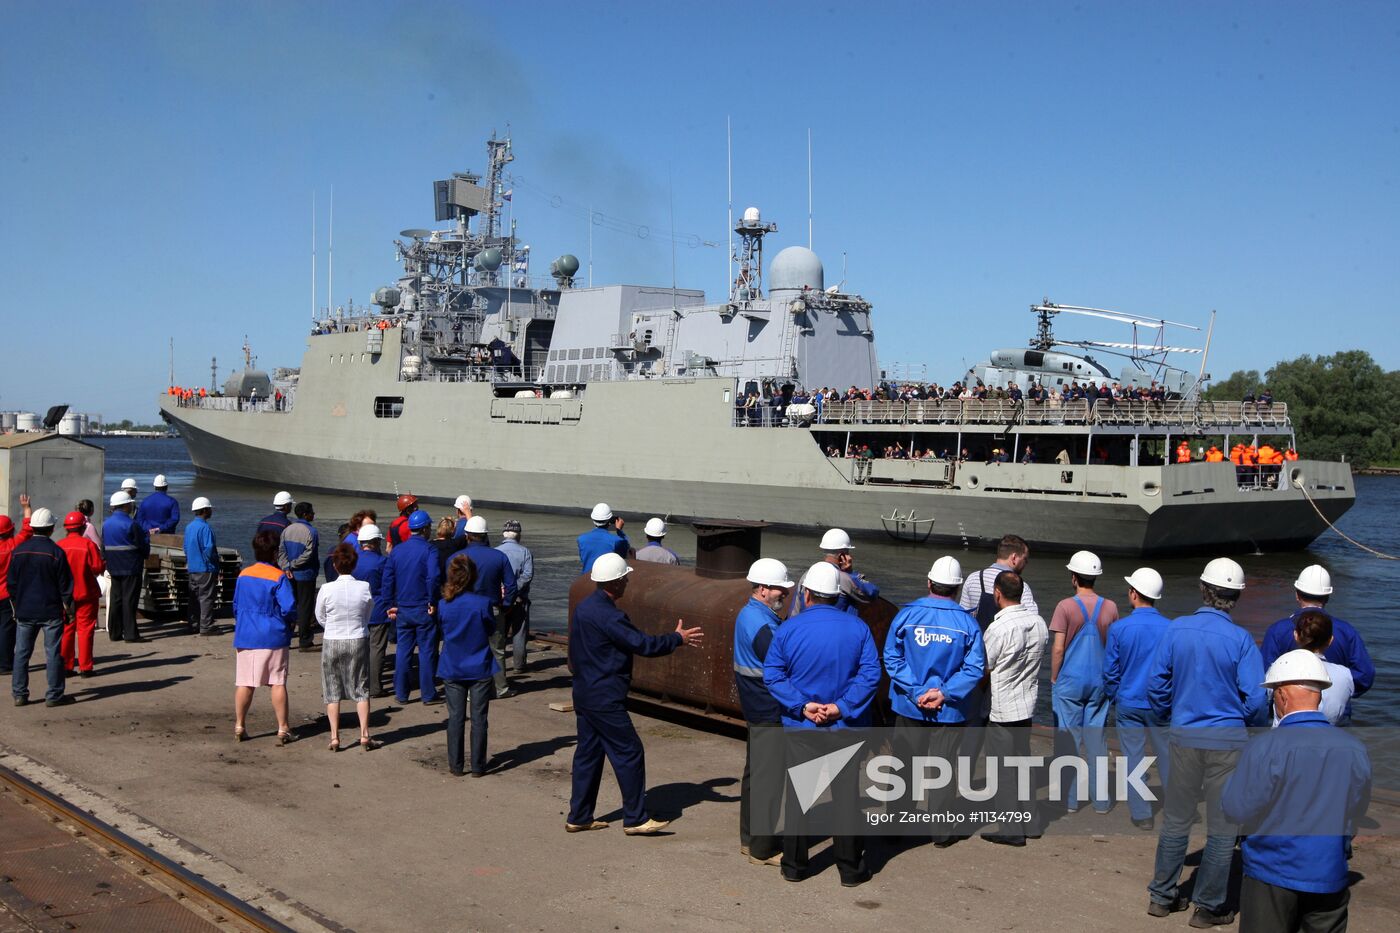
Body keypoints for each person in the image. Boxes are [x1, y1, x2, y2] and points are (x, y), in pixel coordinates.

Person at [1146, 558, 1268, 927]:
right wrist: (1246, 723)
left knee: (1177, 818)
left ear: (1203, 589)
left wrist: (1168, 714)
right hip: (1227, 741)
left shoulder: (1177, 629)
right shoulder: (1241, 640)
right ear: (1236, 597)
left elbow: (1156, 684)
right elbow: (1256, 700)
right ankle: (1208, 907)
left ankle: (1162, 896)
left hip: (1184, 736)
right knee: (1222, 826)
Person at [1222, 650, 1371, 933]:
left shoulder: (1264, 747)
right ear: (1319, 695)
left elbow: (1236, 808)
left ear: (1282, 695)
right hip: (1329, 872)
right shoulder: (1353, 748)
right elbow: (1356, 808)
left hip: (1271, 870)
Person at [565, 553, 702, 836]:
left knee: (588, 754)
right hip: (605, 696)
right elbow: (642, 644)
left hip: (585, 692)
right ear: (615, 583)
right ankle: (636, 819)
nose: (627, 582)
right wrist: (677, 638)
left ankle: (579, 816)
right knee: (629, 751)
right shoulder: (611, 616)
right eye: (624, 578)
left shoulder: (585, 607)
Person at [765, 561, 880, 886]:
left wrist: (803, 706)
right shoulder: (858, 628)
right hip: (845, 726)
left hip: (803, 726)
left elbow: (773, 675)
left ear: (807, 594)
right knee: (847, 797)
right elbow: (870, 674)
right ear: (838, 595)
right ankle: (850, 869)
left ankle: (794, 866)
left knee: (800, 795)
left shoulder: (788, 629)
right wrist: (840, 707)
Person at [881, 555, 985, 843]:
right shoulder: (967, 623)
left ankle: (895, 827)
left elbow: (891, 657)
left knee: (904, 765)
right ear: (958, 588)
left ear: (929, 582)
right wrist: (944, 693)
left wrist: (916, 691)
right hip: (949, 710)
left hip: (909, 705)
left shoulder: (906, 615)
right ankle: (941, 832)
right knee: (943, 768)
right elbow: (974, 668)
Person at [733, 557, 794, 866]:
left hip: (756, 707)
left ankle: (750, 840)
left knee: (756, 775)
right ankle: (763, 849)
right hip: (768, 709)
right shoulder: (761, 624)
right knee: (769, 780)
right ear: (763, 589)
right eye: (780, 588)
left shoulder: (752, 615)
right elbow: (780, 664)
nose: (785, 593)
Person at [980, 569, 1048, 845]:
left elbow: (984, 667)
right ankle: (1031, 822)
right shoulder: (1039, 623)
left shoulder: (998, 628)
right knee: (1024, 764)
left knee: (1003, 770)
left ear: (997, 594)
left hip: (1002, 707)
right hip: (1026, 704)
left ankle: (1010, 829)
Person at [1049, 550, 1119, 813]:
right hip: (1099, 680)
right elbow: (1112, 648)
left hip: (1069, 679)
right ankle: (1100, 801)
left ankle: (1069, 800)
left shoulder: (1065, 606)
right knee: (1096, 740)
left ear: (1074, 577)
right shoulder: (1110, 607)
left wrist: (1054, 677)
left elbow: (1058, 649)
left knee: (1069, 740)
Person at [1102, 567, 1172, 830]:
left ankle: (1142, 814)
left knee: (1133, 757)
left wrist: (1115, 695)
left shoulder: (1119, 629)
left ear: (1134, 593)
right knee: (1168, 756)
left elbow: (1110, 671)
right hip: (1160, 703)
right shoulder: (1171, 628)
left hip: (1129, 701)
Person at [1259, 565, 1373, 723]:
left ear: (1297, 594)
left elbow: (1263, 675)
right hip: (1336, 718)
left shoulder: (1278, 630)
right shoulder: (1346, 631)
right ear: (1327, 597)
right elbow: (1365, 675)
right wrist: (1341, 689)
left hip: (1289, 713)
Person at [233, 530, 297, 744]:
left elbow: (236, 605)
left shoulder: (244, 574)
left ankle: (240, 725)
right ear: (275, 553)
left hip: (246, 635)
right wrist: (290, 623)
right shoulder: (278, 576)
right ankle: (283, 728)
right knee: (277, 682)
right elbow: (289, 607)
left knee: (245, 682)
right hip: (272, 635)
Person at [315, 544, 379, 751]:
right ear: (354, 564)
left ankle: (335, 737)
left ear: (335, 565)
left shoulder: (326, 588)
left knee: (332, 687)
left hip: (333, 638)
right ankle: (364, 734)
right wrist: (359, 626)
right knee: (361, 687)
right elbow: (368, 612)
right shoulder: (364, 587)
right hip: (357, 637)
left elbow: (320, 615)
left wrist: (332, 627)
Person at [437, 554, 497, 776]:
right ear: (473, 576)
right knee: (479, 718)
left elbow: (442, 629)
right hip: (478, 663)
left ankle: (456, 765)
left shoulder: (444, 604)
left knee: (455, 717)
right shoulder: (482, 603)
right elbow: (491, 628)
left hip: (453, 664)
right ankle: (478, 766)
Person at [8, 509, 75, 707]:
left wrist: (17, 603)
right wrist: (69, 610)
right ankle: (54, 695)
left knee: (21, 653)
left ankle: (20, 694)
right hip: (50, 610)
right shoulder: (56, 552)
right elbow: (65, 586)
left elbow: (11, 584)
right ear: (51, 528)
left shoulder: (19, 551)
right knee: (53, 653)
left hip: (25, 610)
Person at [450, 515, 518, 699]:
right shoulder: (499, 556)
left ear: (467, 535)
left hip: (465, 611)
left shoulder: (456, 558)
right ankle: (500, 688)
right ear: (485, 535)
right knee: (497, 650)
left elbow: (449, 585)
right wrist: (506, 605)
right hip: (493, 608)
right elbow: (511, 585)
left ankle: (471, 691)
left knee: (468, 649)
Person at [383, 509, 442, 705]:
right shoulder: (430, 550)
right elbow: (433, 577)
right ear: (425, 529)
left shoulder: (397, 551)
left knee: (403, 651)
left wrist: (390, 604)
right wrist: (432, 601)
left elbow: (388, 579)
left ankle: (401, 693)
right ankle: (428, 694)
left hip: (402, 608)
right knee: (426, 651)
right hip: (423, 606)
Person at [56, 511, 104, 678]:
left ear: (66, 528)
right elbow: (98, 568)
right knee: (85, 630)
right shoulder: (88, 545)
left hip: (66, 596)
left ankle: (66, 666)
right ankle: (86, 667)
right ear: (83, 527)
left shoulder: (60, 546)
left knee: (67, 629)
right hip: (87, 593)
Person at [789, 528, 878, 616]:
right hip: (840, 624)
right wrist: (850, 572)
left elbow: (794, 609)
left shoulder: (807, 574)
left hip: (807, 621)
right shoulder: (844, 578)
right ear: (842, 556)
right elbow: (872, 592)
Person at [1287, 610, 1353, 726]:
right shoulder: (1345, 674)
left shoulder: (1280, 668)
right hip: (1331, 734)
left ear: (1296, 635)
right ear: (1330, 640)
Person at [959, 534, 1037, 630]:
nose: (1026, 563)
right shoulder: (1021, 587)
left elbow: (963, 617)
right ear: (1014, 557)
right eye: (1025, 559)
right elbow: (1032, 623)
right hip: (1006, 638)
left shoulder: (973, 578)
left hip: (977, 638)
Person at [350, 523, 392, 697]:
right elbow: (388, 587)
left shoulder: (353, 561)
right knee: (377, 649)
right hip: (378, 609)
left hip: (357, 609)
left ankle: (356, 683)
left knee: (358, 648)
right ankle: (374, 687)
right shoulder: (382, 561)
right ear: (375, 542)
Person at [102, 490, 150, 643]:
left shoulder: (106, 524)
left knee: (116, 599)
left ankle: (114, 633)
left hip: (113, 566)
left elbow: (103, 547)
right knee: (129, 600)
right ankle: (130, 634)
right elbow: (142, 545)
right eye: (130, 504)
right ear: (125, 506)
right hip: (131, 567)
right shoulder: (131, 524)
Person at [0, 494, 34, 676]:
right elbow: (27, 530)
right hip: (7, 595)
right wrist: (26, 508)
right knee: (7, 629)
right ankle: (5, 663)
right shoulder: (13, 546)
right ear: (9, 531)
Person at [279, 502, 320, 652]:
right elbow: (309, 554)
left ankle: (286, 638)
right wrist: (294, 564)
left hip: (290, 574)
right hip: (306, 574)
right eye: (312, 512)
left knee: (290, 605)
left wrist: (286, 567)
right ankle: (304, 640)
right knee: (305, 607)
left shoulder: (287, 530)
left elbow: (281, 551)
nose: (313, 514)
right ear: (305, 515)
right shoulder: (312, 532)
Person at [496, 519, 534, 673]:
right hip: (520, 599)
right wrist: (514, 589)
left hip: (501, 599)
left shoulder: (496, 551)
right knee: (519, 633)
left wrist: (505, 590)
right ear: (518, 534)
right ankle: (519, 665)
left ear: (504, 534)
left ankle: (499, 668)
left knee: (500, 634)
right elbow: (528, 575)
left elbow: (494, 575)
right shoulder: (525, 552)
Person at [183, 496, 220, 636]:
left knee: (193, 598)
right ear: (204, 510)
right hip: (205, 568)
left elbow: (186, 547)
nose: (211, 511)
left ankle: (193, 624)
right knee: (206, 598)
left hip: (192, 567)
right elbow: (209, 549)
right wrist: (214, 562)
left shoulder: (189, 527)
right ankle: (206, 626)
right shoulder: (205, 528)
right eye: (209, 509)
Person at [577, 502, 630, 573]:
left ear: (593, 519)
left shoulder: (581, 539)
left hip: (586, 576)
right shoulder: (617, 541)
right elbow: (626, 553)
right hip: (607, 576)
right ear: (609, 520)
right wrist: (619, 531)